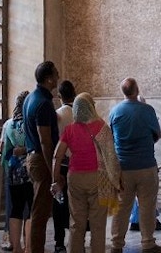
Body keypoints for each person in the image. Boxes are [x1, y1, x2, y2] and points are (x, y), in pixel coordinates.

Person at [51, 92, 120, 253]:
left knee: (76, 223)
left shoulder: (69, 130)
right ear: (91, 107)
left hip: (75, 178)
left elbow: (57, 155)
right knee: (97, 225)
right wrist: (116, 180)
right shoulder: (102, 127)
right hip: (98, 178)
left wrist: (56, 180)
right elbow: (111, 156)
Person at [108, 78, 161, 253]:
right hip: (146, 165)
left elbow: (110, 138)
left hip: (123, 167)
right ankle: (148, 243)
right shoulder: (147, 110)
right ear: (137, 90)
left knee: (121, 208)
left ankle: (116, 244)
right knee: (147, 206)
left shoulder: (115, 111)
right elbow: (157, 135)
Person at [24, 61, 61, 253]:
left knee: (39, 209)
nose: (58, 76)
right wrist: (54, 171)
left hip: (33, 157)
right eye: (55, 73)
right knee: (40, 212)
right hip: (41, 158)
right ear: (48, 79)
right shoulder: (43, 104)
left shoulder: (31, 98)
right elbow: (46, 141)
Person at [1, 91, 33, 253]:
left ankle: (17, 248)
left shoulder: (8, 124)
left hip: (13, 171)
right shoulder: (30, 122)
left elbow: (5, 151)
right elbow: (36, 146)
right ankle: (29, 247)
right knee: (31, 209)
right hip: (30, 169)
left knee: (16, 209)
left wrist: (8, 168)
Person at [52, 79, 76, 253]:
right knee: (76, 204)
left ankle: (59, 241)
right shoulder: (80, 113)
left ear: (59, 96)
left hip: (61, 163)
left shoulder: (57, 114)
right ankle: (77, 238)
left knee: (59, 204)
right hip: (78, 165)